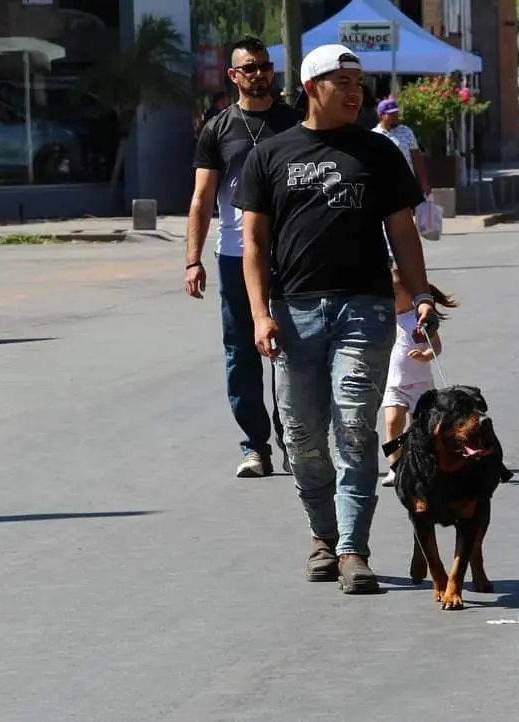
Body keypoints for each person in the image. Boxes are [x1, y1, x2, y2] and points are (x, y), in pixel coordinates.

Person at [233, 44, 437, 594]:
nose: (355, 92)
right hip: (293, 311)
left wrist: (419, 294)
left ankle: (352, 549)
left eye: (359, 82)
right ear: (311, 87)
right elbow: (254, 243)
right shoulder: (270, 155)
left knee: (353, 425)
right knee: (301, 434)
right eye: (341, 81)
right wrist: (258, 314)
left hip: (363, 308)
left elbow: (403, 232)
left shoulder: (378, 152)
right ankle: (322, 535)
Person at [185, 36, 300, 477]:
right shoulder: (217, 129)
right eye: (250, 68)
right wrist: (192, 259)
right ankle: (255, 446)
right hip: (234, 254)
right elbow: (201, 198)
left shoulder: (294, 122)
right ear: (233, 76)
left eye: (265, 66)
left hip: (290, 252)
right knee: (241, 352)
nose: (260, 74)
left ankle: (295, 439)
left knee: (294, 347)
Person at [380, 268, 456, 487]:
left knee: (419, 429)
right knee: (393, 422)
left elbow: (436, 347)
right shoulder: (384, 320)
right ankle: (395, 467)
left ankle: (421, 464)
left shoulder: (418, 318)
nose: (389, 300)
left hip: (420, 386)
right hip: (393, 384)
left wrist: (425, 355)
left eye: (393, 295)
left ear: (408, 294)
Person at [372, 98, 431, 197]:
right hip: (383, 187)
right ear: (381, 115)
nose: (395, 117)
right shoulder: (374, 135)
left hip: (406, 184)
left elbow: (416, 158)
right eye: (391, 114)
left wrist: (424, 183)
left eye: (396, 113)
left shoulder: (406, 132)